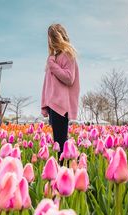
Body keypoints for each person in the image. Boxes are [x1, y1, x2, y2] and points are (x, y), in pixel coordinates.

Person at [41, 23, 80, 164]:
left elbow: (69, 78)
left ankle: (68, 172)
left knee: (61, 144)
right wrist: (44, 104)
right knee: (60, 142)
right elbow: (47, 85)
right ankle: (68, 170)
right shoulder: (53, 58)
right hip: (53, 105)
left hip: (61, 106)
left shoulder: (67, 55)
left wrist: (53, 65)